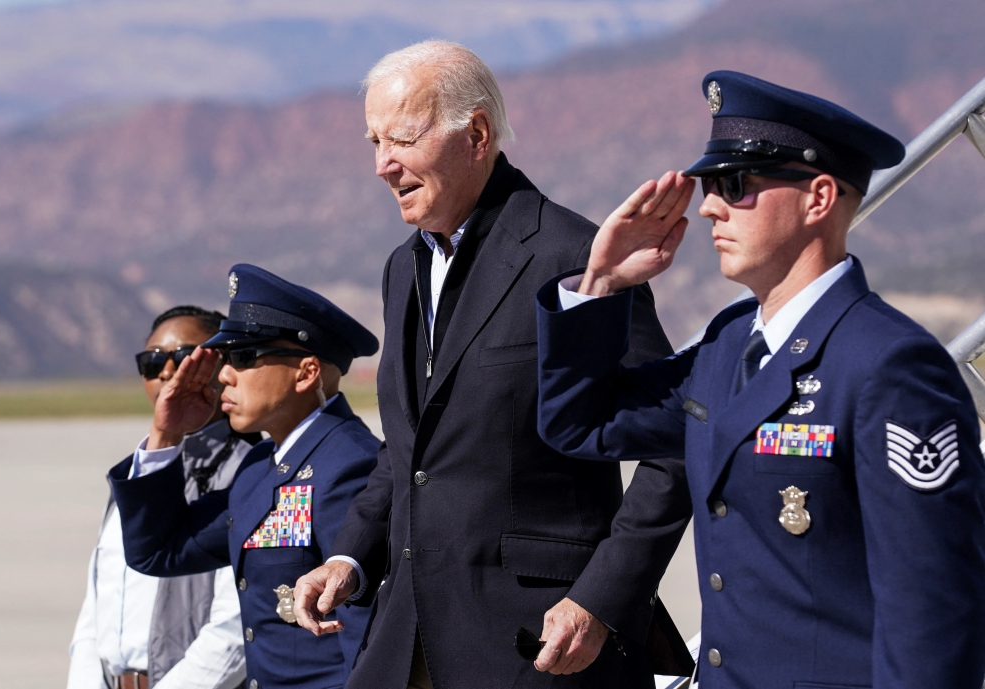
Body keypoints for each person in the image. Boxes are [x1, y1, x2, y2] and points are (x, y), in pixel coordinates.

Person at [535, 70, 985, 688]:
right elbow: (581, 423)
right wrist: (602, 285)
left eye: (735, 184)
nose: (711, 205)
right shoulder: (726, 348)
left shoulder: (889, 367)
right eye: (710, 187)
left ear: (819, 198)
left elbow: (934, 613)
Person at [292, 40, 689, 688]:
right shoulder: (403, 268)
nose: (382, 165)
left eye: (402, 139)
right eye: (373, 142)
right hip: (406, 641)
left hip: (538, 649)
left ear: (476, 133)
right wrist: (350, 557)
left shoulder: (574, 255)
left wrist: (601, 598)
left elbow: (676, 439)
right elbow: (411, 452)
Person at [108, 265, 381, 689]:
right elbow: (159, 551)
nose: (223, 376)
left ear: (306, 373)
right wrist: (167, 434)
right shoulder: (259, 467)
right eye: (225, 359)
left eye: (244, 357)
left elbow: (366, 637)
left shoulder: (351, 465)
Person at [68, 305, 256, 689]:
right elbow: (97, 607)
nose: (168, 372)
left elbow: (234, 628)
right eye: (152, 362)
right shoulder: (137, 472)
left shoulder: (249, 473)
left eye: (186, 357)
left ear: (225, 367)